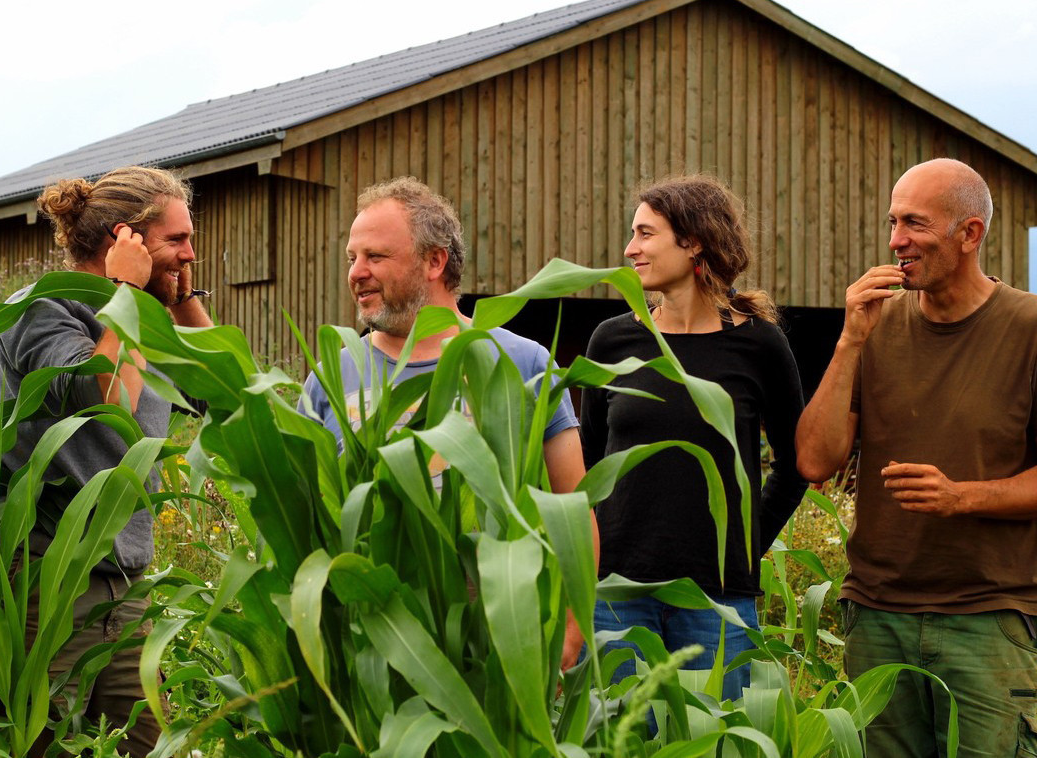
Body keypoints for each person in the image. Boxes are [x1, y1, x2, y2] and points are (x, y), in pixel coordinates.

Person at [795, 158, 1037, 757]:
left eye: (915, 224)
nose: (895, 240)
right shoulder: (874, 329)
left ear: (970, 234)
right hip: (877, 614)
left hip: (989, 619)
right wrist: (849, 339)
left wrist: (962, 497)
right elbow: (813, 461)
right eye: (892, 221)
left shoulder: (1036, 327)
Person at [297, 176, 596, 669]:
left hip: (499, 643)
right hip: (369, 646)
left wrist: (567, 631)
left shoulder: (519, 363)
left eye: (375, 256)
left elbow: (574, 507)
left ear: (434, 261)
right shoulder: (332, 373)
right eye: (352, 257)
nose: (356, 272)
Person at [0, 166, 212, 756]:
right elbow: (108, 401)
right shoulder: (39, 310)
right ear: (124, 242)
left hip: (126, 582)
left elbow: (221, 394)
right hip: (47, 580)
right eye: (177, 241)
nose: (192, 252)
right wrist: (131, 295)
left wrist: (179, 294)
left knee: (145, 741)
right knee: (41, 743)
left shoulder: (148, 321)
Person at [579, 174, 806, 701]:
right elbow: (586, 466)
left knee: (719, 738)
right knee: (623, 739)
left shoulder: (759, 344)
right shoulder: (612, 340)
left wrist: (744, 551)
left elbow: (797, 466)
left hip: (717, 600)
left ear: (694, 240)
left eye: (644, 233)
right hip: (617, 591)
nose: (629, 249)